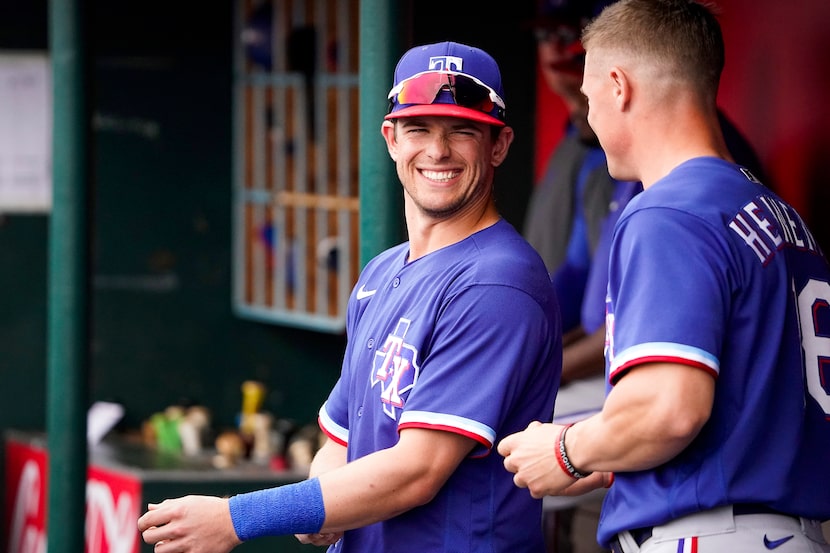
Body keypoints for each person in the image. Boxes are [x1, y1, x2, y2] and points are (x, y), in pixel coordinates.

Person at [137, 41, 563, 553]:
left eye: (463, 131)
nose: (438, 151)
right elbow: (341, 438)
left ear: (498, 145)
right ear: (391, 138)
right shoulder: (381, 272)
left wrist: (237, 517)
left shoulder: (496, 283)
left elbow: (418, 470)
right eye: (419, 129)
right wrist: (319, 508)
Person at [499, 1, 830, 552]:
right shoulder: (780, 216)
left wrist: (566, 449)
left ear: (618, 86)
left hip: (710, 531)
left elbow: (669, 409)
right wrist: (609, 450)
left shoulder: (669, 212)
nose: (589, 115)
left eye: (588, 97)